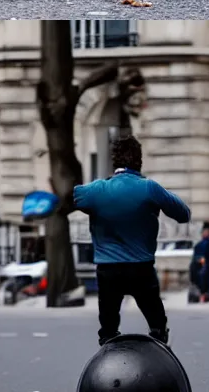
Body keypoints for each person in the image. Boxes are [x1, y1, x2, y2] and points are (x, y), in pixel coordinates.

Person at [66, 135, 190, 345]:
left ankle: (108, 348)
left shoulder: (96, 190)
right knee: (157, 322)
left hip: (108, 269)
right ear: (139, 161)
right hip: (141, 268)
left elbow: (71, 196)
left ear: (114, 162)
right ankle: (159, 340)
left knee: (108, 327)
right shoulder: (149, 188)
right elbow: (183, 214)